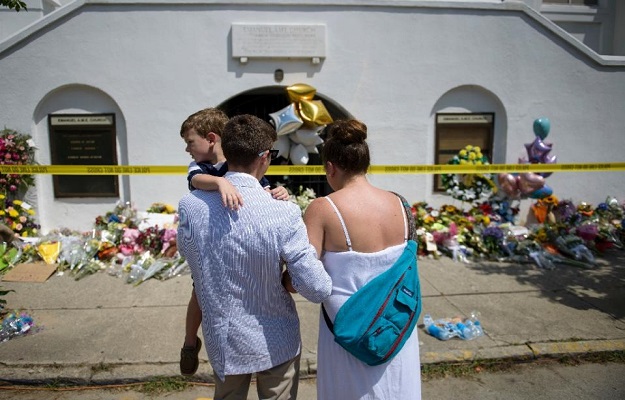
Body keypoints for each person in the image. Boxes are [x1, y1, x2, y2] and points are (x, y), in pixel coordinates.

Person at [177, 114, 332, 399]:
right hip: (276, 338)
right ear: (264, 157)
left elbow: (191, 258)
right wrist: (291, 278)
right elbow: (317, 288)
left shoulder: (190, 206)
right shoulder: (283, 211)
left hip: (224, 338)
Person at [303, 119, 422, 399]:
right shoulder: (401, 205)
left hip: (348, 335)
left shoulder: (322, 208)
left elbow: (304, 277)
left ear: (330, 167)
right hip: (395, 331)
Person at [178, 108, 289, 376]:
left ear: (212, 138)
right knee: (199, 294)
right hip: (214, 246)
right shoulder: (204, 170)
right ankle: (190, 343)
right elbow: (195, 180)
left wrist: (279, 193)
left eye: (190, 142)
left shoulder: (242, 162)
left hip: (240, 244)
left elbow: (262, 191)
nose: (187, 149)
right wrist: (219, 183)